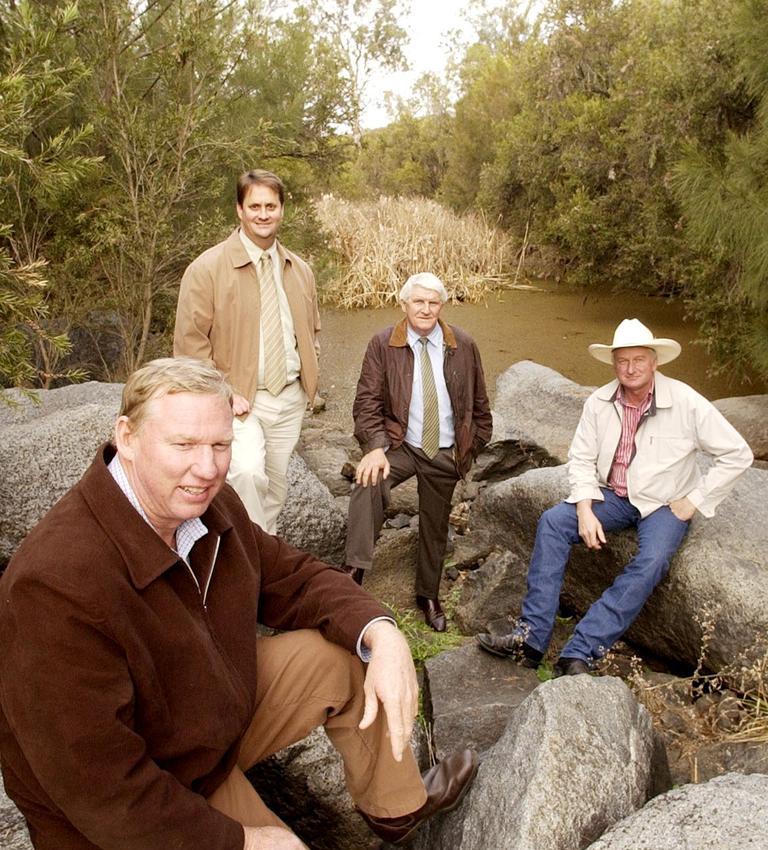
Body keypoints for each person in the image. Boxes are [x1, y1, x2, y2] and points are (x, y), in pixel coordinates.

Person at [0, 358, 477, 850]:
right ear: (126, 437)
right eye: (184, 445)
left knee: (342, 655)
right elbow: (102, 791)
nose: (207, 466)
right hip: (118, 821)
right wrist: (244, 845)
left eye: (220, 444)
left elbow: (292, 577)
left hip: (196, 725)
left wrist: (383, 633)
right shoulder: (57, 584)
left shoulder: (204, 504)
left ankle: (395, 810)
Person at [476, 318, 753, 676]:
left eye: (639, 360)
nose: (630, 368)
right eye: (622, 360)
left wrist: (694, 500)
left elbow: (737, 453)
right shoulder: (598, 402)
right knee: (553, 522)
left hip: (664, 505)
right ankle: (530, 639)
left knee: (653, 561)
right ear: (613, 363)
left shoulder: (685, 401)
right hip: (614, 497)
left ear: (654, 362)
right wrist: (585, 506)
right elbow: (581, 458)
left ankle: (582, 649)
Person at [341, 273, 492, 632]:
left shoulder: (463, 344)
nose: (426, 309)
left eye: (433, 302)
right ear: (404, 303)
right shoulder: (383, 344)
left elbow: (481, 405)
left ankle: (428, 595)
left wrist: (469, 448)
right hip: (400, 444)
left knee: (435, 525)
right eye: (419, 302)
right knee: (368, 481)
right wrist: (375, 447)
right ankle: (354, 571)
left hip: (444, 451)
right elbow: (366, 403)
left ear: (442, 306)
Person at [174, 169, 320, 534]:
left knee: (276, 486)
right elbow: (189, 345)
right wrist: (222, 392)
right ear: (239, 210)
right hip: (238, 399)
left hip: (289, 398)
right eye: (254, 205)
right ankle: (250, 563)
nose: (263, 213)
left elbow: (312, 329)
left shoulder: (299, 269)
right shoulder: (207, 269)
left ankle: (260, 556)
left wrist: (308, 378)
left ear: (282, 210)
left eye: (271, 205)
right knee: (246, 472)